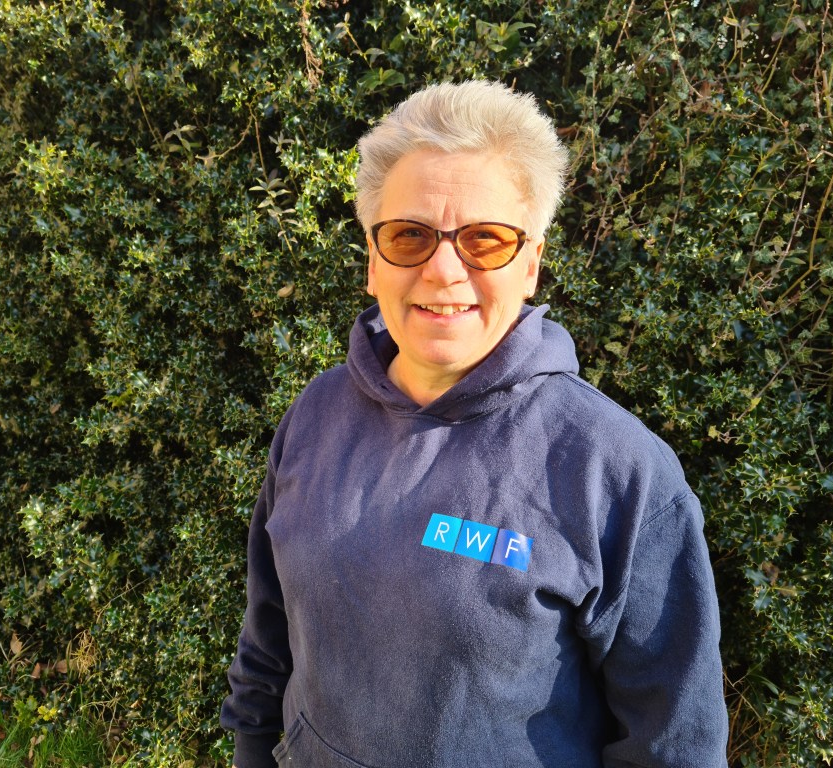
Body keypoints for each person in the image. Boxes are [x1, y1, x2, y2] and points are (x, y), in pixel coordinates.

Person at [220, 80, 729, 768]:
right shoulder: (315, 415)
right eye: (409, 235)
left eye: (485, 240)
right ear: (372, 260)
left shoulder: (618, 472)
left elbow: (673, 746)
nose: (443, 271)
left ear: (531, 265)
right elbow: (268, 639)